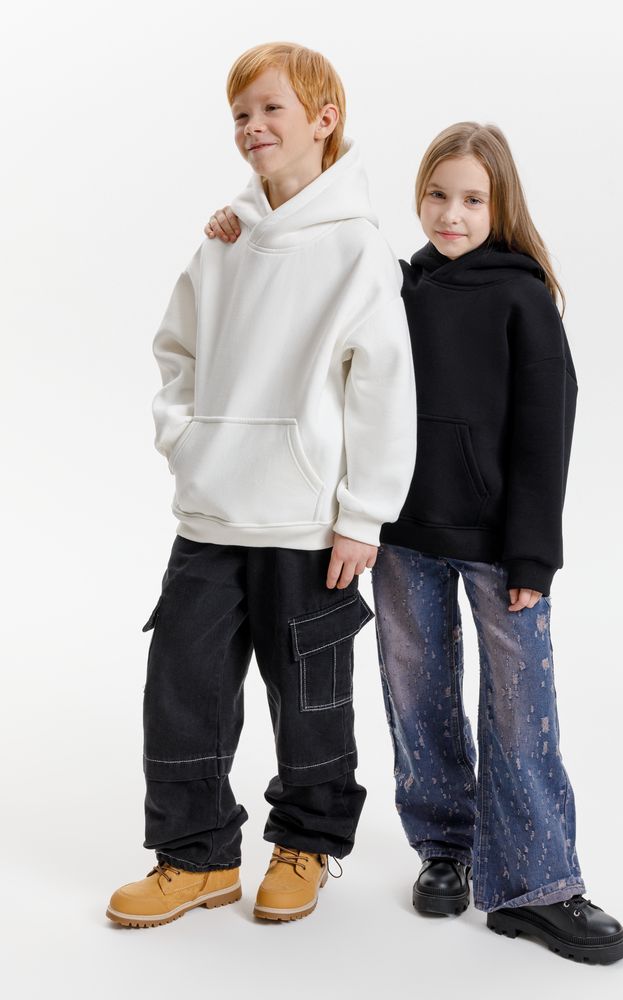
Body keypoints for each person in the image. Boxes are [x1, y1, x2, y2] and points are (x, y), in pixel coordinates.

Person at [205, 122, 623, 963]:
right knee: (418, 696)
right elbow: (308, 280)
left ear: (501, 206)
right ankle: (444, 849)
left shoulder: (523, 298)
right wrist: (242, 223)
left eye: (472, 199)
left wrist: (534, 555)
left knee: (520, 710)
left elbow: (546, 434)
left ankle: (539, 886)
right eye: (437, 195)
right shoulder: (396, 285)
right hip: (402, 537)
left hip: (499, 548)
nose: (451, 214)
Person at [105, 41, 416, 929]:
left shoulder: (358, 250)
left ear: (324, 120)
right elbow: (176, 350)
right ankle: (194, 857)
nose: (252, 127)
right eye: (241, 114)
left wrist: (364, 514)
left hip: (308, 525)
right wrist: (187, 439)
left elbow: (384, 387)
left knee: (310, 697)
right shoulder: (225, 242)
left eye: (272, 108)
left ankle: (307, 844)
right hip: (211, 514)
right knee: (182, 687)